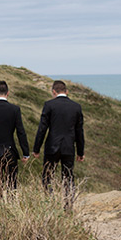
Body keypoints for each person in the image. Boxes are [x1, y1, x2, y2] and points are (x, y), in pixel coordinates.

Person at [32, 80, 84, 209]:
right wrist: (80, 152)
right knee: (68, 177)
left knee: (48, 177)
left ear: (54, 92)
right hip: (68, 147)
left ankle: (49, 205)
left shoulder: (49, 105)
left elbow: (42, 129)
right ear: (66, 91)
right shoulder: (76, 107)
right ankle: (68, 206)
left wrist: (36, 149)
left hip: (52, 147)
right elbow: (79, 131)